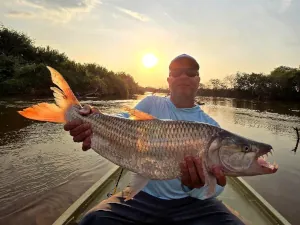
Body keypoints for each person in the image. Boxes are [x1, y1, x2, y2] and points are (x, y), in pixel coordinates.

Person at [64, 54, 245, 225]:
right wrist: (93, 117)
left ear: (198, 80)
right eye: (176, 71)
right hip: (143, 196)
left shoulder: (211, 127)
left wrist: (195, 186)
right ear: (169, 80)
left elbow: (213, 189)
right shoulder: (151, 103)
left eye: (191, 72)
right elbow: (120, 120)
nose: (183, 75)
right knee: (94, 221)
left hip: (191, 203)